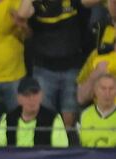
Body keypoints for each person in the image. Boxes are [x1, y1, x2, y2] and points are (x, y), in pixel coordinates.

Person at [27, 0, 91, 130]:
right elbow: (23, 13)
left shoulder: (72, 2)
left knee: (69, 117)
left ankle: (66, 148)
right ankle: (46, 149)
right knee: (45, 118)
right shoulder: (36, 3)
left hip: (71, 67)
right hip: (44, 68)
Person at [0, 76, 69, 147]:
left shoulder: (54, 118)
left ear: (41, 95)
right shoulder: (7, 118)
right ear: (19, 98)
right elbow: (0, 150)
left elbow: (60, 152)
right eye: (27, 95)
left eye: (35, 94)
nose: (32, 99)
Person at [78, 73, 116, 147]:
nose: (107, 93)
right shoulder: (84, 115)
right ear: (95, 91)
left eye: (111, 89)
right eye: (103, 88)